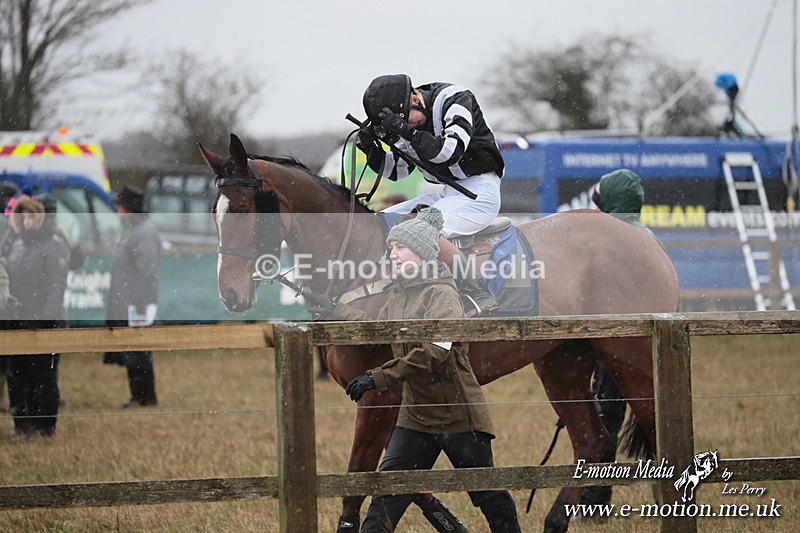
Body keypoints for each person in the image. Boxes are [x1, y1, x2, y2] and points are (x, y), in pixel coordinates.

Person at [305, 207, 520, 533]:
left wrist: (378, 377)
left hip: (458, 416)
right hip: (416, 418)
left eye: (399, 248)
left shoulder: (443, 295)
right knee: (385, 502)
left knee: (488, 495)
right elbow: (379, 328)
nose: (391, 253)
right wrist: (334, 309)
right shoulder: (400, 294)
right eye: (390, 248)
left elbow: (435, 352)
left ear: (420, 252)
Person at [357, 74, 504, 315]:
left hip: (480, 192)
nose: (410, 126)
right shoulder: (410, 118)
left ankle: (476, 293)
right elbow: (399, 170)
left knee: (422, 230)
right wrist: (371, 150)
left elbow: (449, 152)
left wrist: (407, 131)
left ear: (415, 98)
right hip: (447, 194)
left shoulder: (456, 99)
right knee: (379, 221)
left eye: (408, 122)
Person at [579, 168, 664, 508]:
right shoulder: (649, 238)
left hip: (612, 346)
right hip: (649, 348)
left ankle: (594, 501)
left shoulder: (604, 240)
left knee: (603, 424)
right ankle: (675, 494)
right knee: (658, 423)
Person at [3, 196, 70, 436]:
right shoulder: (16, 244)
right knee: (18, 375)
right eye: (23, 218)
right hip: (18, 322)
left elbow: (56, 287)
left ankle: (44, 426)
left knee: (44, 375)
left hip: (44, 322)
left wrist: (45, 321)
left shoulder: (53, 245)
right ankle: (23, 423)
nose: (27, 222)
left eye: (31, 217)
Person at [103, 186, 160, 407]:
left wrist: (139, 302)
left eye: (120, 205)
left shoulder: (143, 232)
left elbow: (146, 271)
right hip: (128, 300)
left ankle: (145, 397)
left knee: (138, 351)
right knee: (132, 351)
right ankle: (139, 395)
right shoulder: (131, 230)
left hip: (138, 302)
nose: (117, 209)